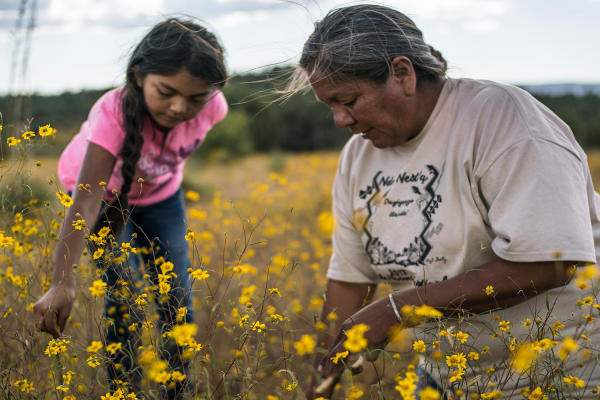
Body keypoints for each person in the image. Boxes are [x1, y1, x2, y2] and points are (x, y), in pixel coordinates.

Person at [288, 5, 600, 399]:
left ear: (402, 73)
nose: (340, 120)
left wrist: (397, 309)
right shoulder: (358, 156)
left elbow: (549, 263)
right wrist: (320, 385)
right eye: (329, 105)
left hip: (559, 373)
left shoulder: (505, 121)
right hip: (444, 377)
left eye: (348, 100)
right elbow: (350, 279)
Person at [33, 18, 228, 397]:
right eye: (166, 91)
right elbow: (86, 201)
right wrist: (62, 281)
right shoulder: (113, 115)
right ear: (139, 75)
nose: (178, 107)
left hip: (161, 198)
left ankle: (178, 389)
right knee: (125, 300)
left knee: (177, 299)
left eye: (194, 98)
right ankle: (123, 391)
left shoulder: (214, 107)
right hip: (102, 202)